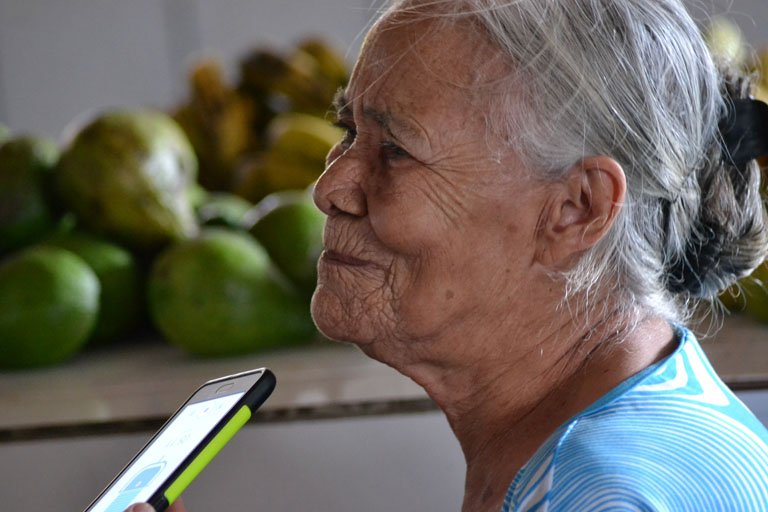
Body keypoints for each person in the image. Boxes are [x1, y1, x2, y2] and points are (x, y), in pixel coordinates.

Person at [128, 0, 768, 510]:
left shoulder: (606, 493)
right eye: (349, 131)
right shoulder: (631, 406)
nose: (328, 187)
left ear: (577, 207)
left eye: (396, 150)